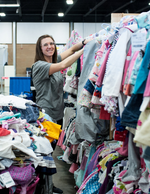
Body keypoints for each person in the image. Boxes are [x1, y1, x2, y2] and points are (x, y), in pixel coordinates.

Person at [32, 34, 91, 194]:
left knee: (48, 153)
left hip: (56, 114)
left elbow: (71, 49)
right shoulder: (40, 65)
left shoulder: (54, 60)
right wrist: (88, 49)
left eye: (52, 43)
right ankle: (39, 186)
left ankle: (46, 185)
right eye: (46, 45)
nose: (50, 46)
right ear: (40, 48)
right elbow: (65, 63)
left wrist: (85, 42)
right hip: (46, 115)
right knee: (44, 153)